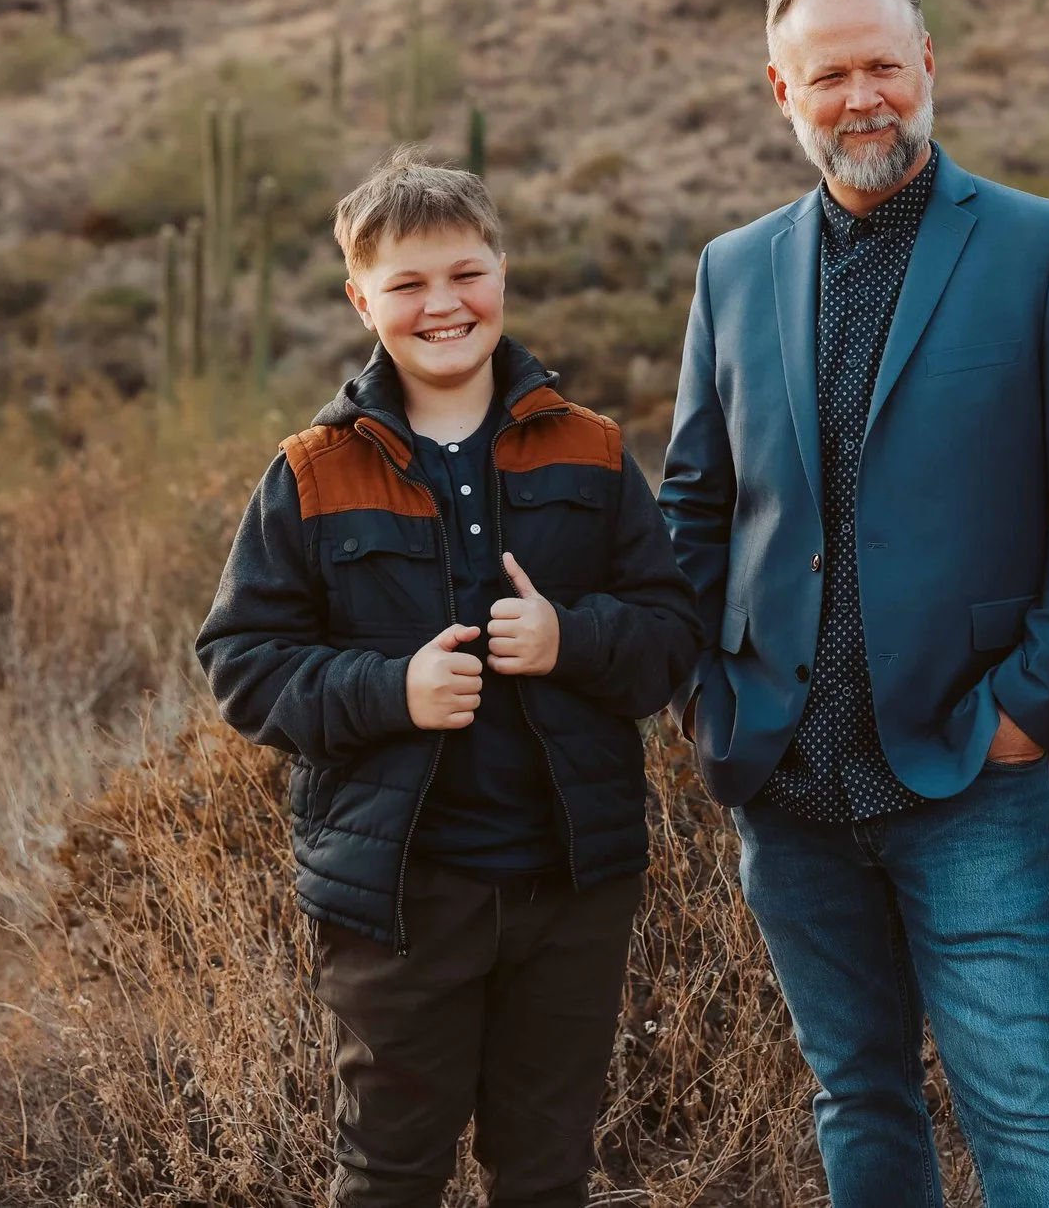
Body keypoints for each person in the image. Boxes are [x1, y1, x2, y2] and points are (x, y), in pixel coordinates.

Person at [660, 0, 1049, 1207]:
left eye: (882, 63)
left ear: (926, 64)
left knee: (1020, 1106)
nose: (862, 95)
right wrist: (705, 694)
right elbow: (694, 504)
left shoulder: (1043, 248)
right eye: (831, 74)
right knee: (857, 1097)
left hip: (971, 762)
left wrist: (1039, 701)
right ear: (783, 90)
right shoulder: (731, 267)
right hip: (785, 775)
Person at [195, 153, 699, 1208]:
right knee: (387, 1176)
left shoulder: (594, 451)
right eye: (408, 284)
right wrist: (390, 689)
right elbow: (241, 660)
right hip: (398, 899)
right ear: (359, 298)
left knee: (547, 1172)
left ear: (502, 274)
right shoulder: (309, 471)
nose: (442, 305)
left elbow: (668, 631)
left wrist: (568, 637)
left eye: (464, 273)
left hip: (571, 886)